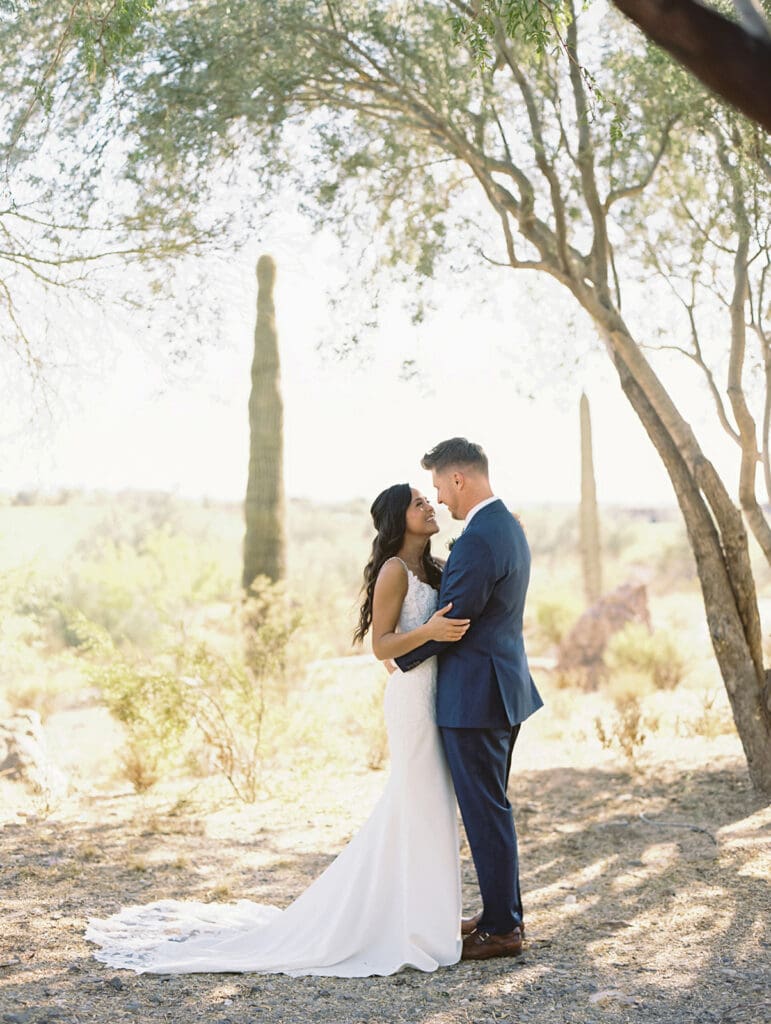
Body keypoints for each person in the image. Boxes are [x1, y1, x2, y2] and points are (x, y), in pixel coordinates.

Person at [86, 483, 470, 977]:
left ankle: (427, 914)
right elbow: (381, 646)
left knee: (429, 806)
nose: (430, 506)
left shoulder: (431, 569)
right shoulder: (395, 571)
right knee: (416, 802)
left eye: (428, 499)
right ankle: (404, 922)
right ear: (400, 518)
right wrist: (430, 636)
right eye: (419, 502)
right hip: (413, 704)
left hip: (433, 696)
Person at [395, 438, 543, 961]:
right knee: (490, 809)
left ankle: (503, 929)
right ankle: (503, 913)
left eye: (438, 485)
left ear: (459, 478)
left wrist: (398, 657)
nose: (439, 497)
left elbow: (453, 621)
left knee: (485, 812)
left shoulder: (480, 538)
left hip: (476, 696)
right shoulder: (505, 525)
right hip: (501, 687)